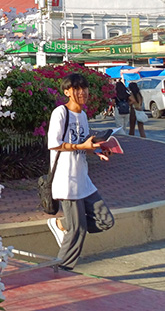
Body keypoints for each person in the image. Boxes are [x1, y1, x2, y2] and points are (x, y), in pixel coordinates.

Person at [45, 73, 115, 270]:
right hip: (66, 179)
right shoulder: (60, 112)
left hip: (83, 178)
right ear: (67, 92)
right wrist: (82, 147)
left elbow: (83, 144)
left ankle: (61, 224)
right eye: (76, 89)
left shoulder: (83, 115)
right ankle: (61, 269)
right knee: (78, 229)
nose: (82, 92)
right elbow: (54, 144)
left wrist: (98, 150)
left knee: (106, 220)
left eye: (84, 88)